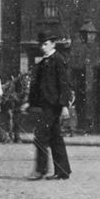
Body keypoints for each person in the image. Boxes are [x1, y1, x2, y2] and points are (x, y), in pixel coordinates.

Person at [25, 34, 73, 180]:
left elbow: (64, 84)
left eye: (45, 44)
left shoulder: (58, 60)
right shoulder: (42, 62)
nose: (42, 47)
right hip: (45, 105)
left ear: (53, 44)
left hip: (53, 105)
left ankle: (41, 170)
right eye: (41, 44)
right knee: (55, 137)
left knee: (40, 136)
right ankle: (63, 171)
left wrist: (64, 105)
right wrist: (30, 102)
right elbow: (36, 87)